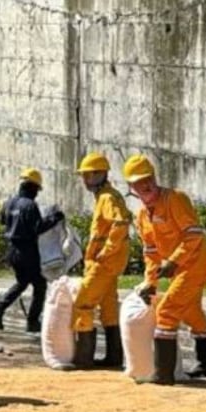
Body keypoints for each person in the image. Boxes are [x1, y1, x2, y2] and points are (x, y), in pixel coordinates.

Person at [125, 155, 206, 382]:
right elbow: (151, 253)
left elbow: (194, 235)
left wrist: (174, 260)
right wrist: (150, 282)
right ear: (131, 187)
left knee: (167, 311)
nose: (145, 185)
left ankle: (164, 374)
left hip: (195, 264)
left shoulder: (175, 199)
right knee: (191, 312)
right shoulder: (142, 216)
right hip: (180, 268)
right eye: (139, 182)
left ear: (155, 177)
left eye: (148, 179)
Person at [69, 153, 133, 369]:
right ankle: (114, 357)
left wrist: (105, 252)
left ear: (101, 174)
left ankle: (83, 358)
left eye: (88, 175)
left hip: (104, 264)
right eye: (84, 175)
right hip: (109, 264)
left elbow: (121, 223)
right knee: (109, 309)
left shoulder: (107, 197)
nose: (85, 179)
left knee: (83, 304)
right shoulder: (106, 196)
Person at [0, 167, 63, 334]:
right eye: (37, 189)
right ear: (33, 188)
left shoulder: (9, 203)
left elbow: (2, 220)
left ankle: (0, 309)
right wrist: (54, 219)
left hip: (12, 250)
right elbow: (38, 228)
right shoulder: (30, 205)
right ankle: (32, 321)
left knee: (22, 283)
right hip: (27, 251)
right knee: (39, 285)